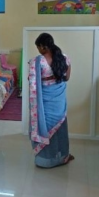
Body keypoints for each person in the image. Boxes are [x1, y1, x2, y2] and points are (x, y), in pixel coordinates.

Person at [28, 33, 74, 168]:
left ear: (43, 46)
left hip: (45, 102)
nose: (38, 51)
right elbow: (66, 78)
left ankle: (45, 160)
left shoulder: (37, 61)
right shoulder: (65, 58)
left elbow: (31, 81)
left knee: (45, 127)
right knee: (59, 127)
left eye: (38, 47)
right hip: (59, 100)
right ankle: (62, 156)